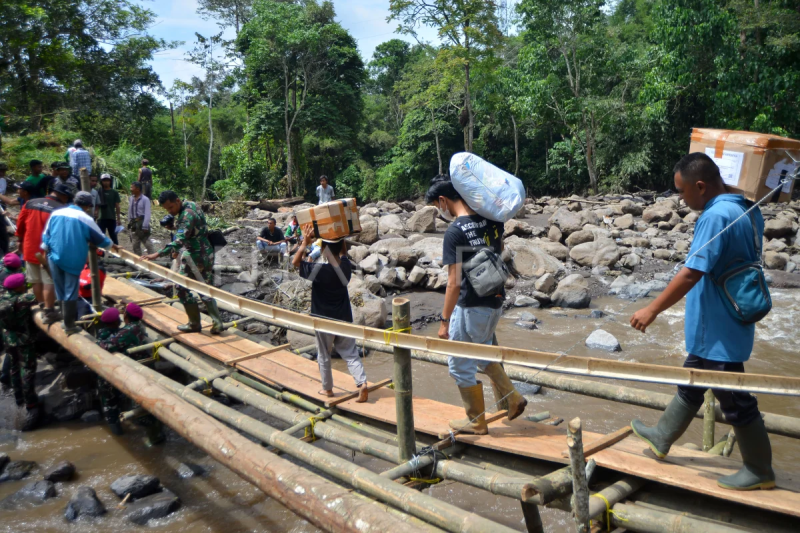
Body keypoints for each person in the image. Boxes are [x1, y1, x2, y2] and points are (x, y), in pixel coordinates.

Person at [629, 153, 775, 491]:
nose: (681, 199)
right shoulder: (746, 208)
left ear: (700, 186)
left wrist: (652, 309)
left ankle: (759, 469)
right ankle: (662, 437)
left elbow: (692, 272)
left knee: (734, 397)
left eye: (682, 192)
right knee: (693, 377)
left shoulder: (715, 216)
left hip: (717, 322)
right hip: (731, 315)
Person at [426, 175, 527, 435]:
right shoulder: (492, 219)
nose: (441, 211)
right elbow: (499, 250)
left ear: (443, 200)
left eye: (439, 207)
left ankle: (480, 418)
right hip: (495, 301)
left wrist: (444, 321)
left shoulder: (455, 232)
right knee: (484, 351)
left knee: (460, 364)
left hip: (471, 306)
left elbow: (453, 283)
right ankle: (508, 401)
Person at [292, 224, 369, 402]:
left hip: (323, 319)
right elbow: (342, 253)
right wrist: (340, 236)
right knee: (350, 353)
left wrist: (305, 243)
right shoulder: (345, 267)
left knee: (324, 354)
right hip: (343, 317)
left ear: (324, 249)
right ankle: (362, 383)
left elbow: (296, 263)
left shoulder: (319, 271)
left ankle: (327, 390)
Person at [140, 191, 224, 334]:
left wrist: (157, 254)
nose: (170, 211)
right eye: (167, 209)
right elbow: (192, 230)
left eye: (171, 207)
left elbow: (179, 240)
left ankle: (194, 323)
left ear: (178, 201)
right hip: (207, 253)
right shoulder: (191, 204)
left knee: (180, 287)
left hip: (195, 256)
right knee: (205, 288)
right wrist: (174, 227)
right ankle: (217, 323)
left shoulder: (186, 215)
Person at [41, 191, 114, 334]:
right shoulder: (85, 218)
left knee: (60, 288)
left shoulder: (56, 213)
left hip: (53, 256)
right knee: (70, 291)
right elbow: (103, 241)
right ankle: (69, 325)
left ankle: (63, 319)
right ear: (87, 205)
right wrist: (112, 245)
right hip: (72, 259)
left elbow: (46, 236)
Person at [16, 183, 70, 323]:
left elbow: (20, 224)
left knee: (35, 279)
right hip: (49, 250)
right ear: (63, 196)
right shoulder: (61, 209)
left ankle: (41, 305)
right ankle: (49, 310)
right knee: (49, 280)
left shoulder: (30, 203)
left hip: (30, 247)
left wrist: (20, 240)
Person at [96, 303, 152, 438]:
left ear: (126, 315)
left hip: (130, 372)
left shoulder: (128, 330)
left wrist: (95, 341)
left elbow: (106, 346)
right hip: (137, 370)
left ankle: (117, 432)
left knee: (109, 401)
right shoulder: (137, 327)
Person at [0, 273, 41, 430]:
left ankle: (19, 400)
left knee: (14, 368)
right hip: (24, 340)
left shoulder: (2, 298)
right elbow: (39, 298)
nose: (25, 285)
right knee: (28, 370)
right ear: (18, 287)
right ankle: (30, 402)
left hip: (9, 338)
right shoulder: (23, 299)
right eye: (24, 284)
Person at [128, 181, 154, 255]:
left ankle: (153, 259)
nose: (131, 189)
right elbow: (129, 210)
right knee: (135, 244)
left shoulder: (145, 199)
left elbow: (147, 213)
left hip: (141, 223)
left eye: (132, 187)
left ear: (138, 189)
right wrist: (129, 221)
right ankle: (138, 260)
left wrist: (145, 225)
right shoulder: (131, 198)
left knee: (147, 242)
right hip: (133, 224)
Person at [96, 174, 120, 245]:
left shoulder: (114, 192)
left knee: (113, 236)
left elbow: (117, 206)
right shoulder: (98, 192)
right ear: (101, 182)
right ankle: (100, 254)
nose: (106, 182)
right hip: (101, 217)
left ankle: (116, 253)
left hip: (111, 217)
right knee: (100, 236)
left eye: (107, 181)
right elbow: (96, 205)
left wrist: (118, 218)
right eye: (104, 181)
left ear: (110, 181)